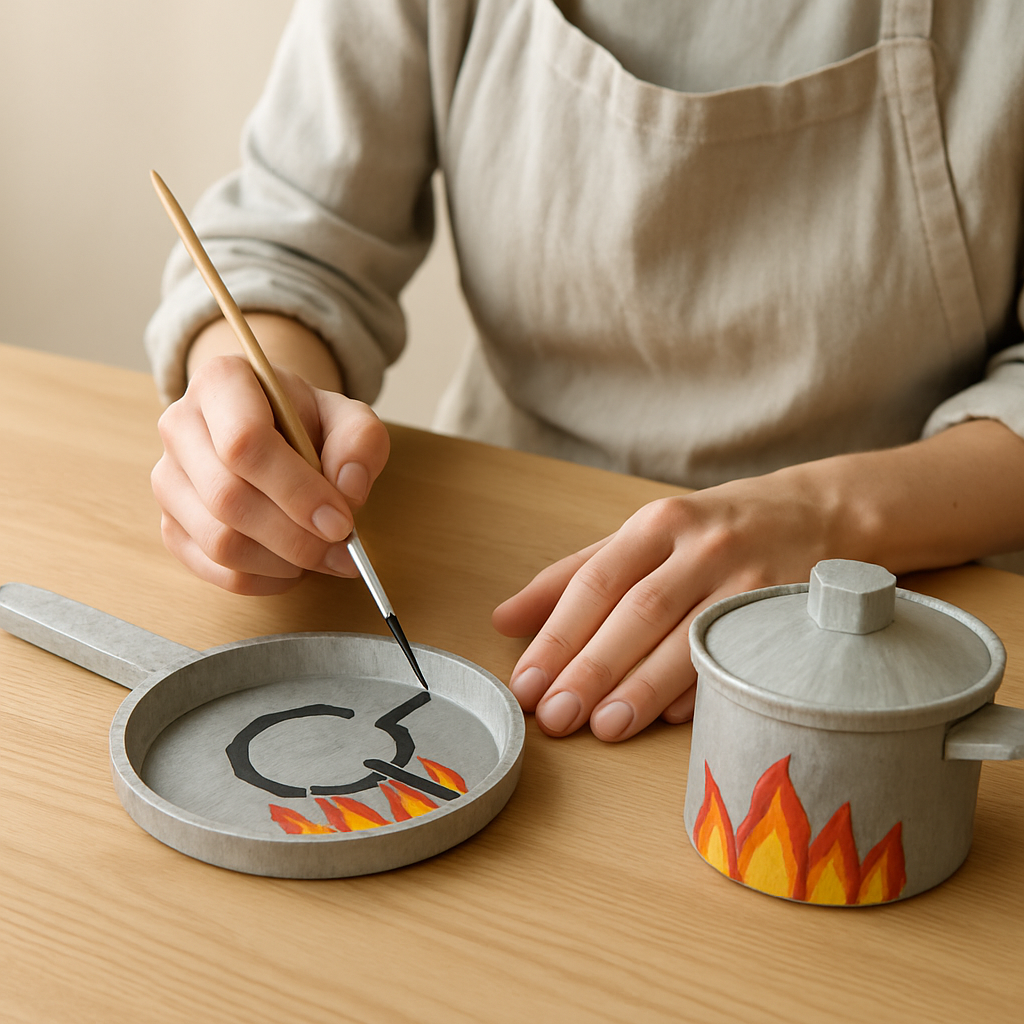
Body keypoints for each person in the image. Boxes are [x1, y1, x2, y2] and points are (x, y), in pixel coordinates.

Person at [146, 0, 1024, 743]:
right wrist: (253, 407)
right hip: (502, 565)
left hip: (906, 599)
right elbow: (292, 237)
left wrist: (828, 518)